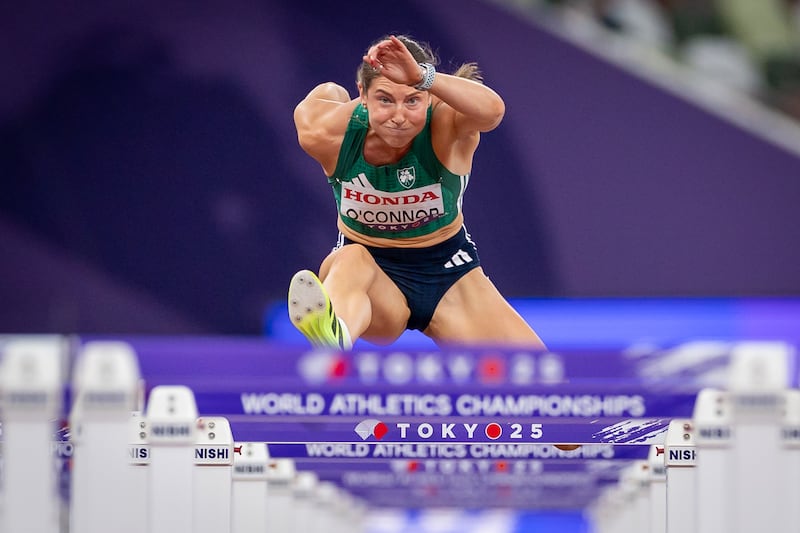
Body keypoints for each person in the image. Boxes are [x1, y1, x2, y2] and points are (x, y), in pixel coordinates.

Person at [289, 34, 545, 351]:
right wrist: (386, 88)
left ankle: (336, 334)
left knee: (538, 373)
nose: (399, 117)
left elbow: (492, 111)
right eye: (385, 100)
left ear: (427, 98)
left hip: (448, 272)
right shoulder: (332, 138)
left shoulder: (446, 124)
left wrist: (422, 77)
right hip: (373, 279)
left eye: (412, 101)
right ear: (362, 96)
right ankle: (335, 336)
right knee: (350, 259)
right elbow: (314, 119)